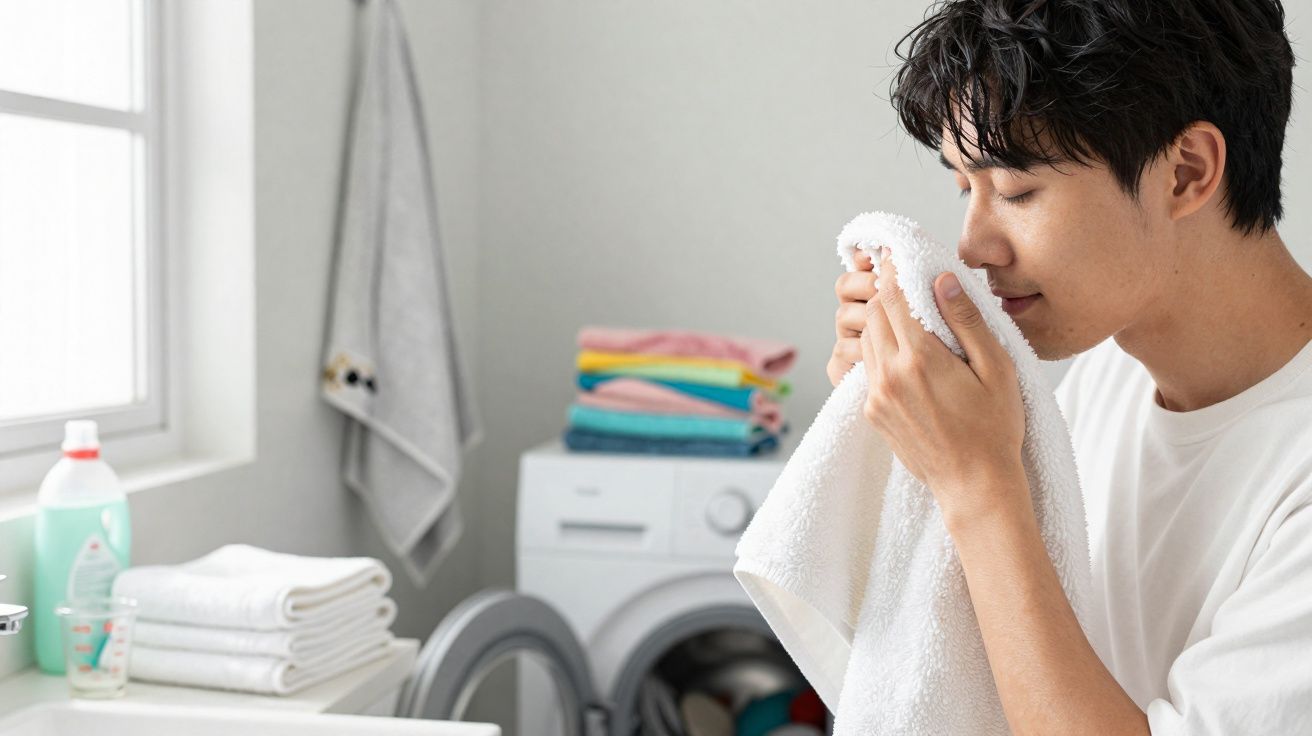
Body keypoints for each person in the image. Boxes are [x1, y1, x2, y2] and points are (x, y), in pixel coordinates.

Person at [828, 0, 1312, 733]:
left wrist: (976, 482)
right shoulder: (1111, 371)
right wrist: (900, 424)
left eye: (1016, 191)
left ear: (1185, 172)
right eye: (965, 189)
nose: (974, 246)